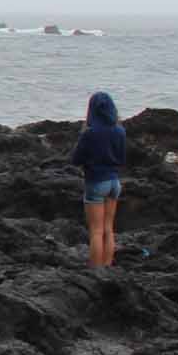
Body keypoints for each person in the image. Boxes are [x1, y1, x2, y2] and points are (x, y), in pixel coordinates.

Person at [71, 91, 127, 267]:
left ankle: (96, 270)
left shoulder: (90, 133)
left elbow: (76, 159)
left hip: (96, 182)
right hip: (114, 182)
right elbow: (122, 157)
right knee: (109, 229)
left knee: (96, 231)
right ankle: (107, 265)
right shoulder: (120, 131)